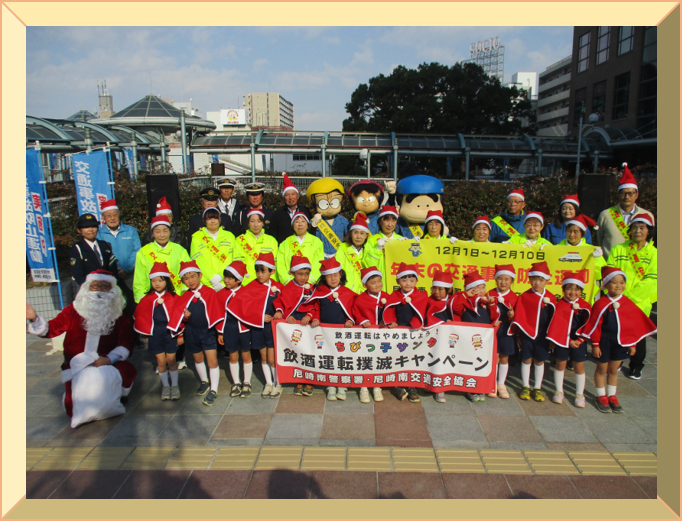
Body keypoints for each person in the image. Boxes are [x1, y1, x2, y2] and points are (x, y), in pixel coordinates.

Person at [26, 270, 137, 428]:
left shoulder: (118, 315)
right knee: (71, 407)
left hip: (104, 362)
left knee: (127, 370)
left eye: (104, 287)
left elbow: (126, 344)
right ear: (87, 288)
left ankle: (116, 395)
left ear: (112, 290)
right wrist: (34, 318)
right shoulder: (73, 310)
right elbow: (51, 329)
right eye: (95, 286)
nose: (99, 291)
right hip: (76, 365)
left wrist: (108, 359)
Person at [578, 266, 657, 413]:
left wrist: (632, 344)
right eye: (614, 282)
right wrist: (595, 344)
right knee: (601, 369)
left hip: (620, 342)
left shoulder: (627, 303)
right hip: (604, 341)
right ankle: (601, 395)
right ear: (606, 284)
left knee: (613, 370)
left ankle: (612, 395)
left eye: (622, 282)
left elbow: (631, 326)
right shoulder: (600, 303)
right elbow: (595, 326)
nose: (618, 285)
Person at [225, 252, 285, 399]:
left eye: (263, 271)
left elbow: (284, 302)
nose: (259, 275)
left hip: (272, 328)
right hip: (258, 328)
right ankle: (268, 383)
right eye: (257, 271)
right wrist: (259, 316)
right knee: (264, 357)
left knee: (272, 358)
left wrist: (279, 311)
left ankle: (278, 383)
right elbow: (243, 307)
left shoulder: (278, 287)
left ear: (272, 271)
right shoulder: (251, 286)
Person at [606, 213, 657, 379]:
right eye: (634, 227)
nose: (638, 231)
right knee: (616, 331)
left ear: (649, 231)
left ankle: (636, 365)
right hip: (617, 299)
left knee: (638, 335)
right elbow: (610, 271)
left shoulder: (654, 253)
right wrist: (617, 295)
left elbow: (652, 281)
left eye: (642, 227)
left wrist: (629, 298)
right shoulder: (619, 249)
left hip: (639, 302)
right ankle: (617, 360)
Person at [167, 261, 225, 407]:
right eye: (186, 278)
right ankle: (204, 381)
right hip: (192, 332)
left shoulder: (209, 292)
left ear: (200, 275)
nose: (190, 281)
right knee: (197, 358)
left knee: (212, 360)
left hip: (208, 332)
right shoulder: (185, 296)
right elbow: (179, 318)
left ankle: (214, 389)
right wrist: (185, 319)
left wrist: (220, 332)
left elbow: (217, 313)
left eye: (193, 276)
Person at [299, 258, 357, 401]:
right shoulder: (321, 292)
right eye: (329, 276)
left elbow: (353, 310)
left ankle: (342, 385)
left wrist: (350, 320)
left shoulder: (347, 293)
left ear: (340, 275)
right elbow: (316, 307)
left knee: (342, 357)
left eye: (335, 275)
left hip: (342, 333)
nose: (333, 278)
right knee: (328, 357)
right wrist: (315, 318)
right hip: (325, 333)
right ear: (324, 277)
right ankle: (330, 385)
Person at [132, 262, 181, 401]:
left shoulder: (173, 297)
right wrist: (146, 334)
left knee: (171, 360)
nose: (157, 283)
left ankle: (175, 385)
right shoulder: (147, 299)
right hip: (155, 333)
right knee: (161, 361)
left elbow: (179, 317)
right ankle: (165, 386)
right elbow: (142, 317)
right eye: (153, 281)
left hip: (169, 332)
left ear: (167, 281)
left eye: (160, 280)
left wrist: (180, 334)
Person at [508, 261, 556, 402]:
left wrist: (552, 338)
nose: (537, 283)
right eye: (534, 279)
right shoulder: (524, 296)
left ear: (547, 281)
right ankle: (525, 386)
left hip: (543, 335)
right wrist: (518, 335)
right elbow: (519, 317)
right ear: (529, 279)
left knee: (540, 360)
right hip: (527, 333)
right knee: (526, 358)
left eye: (541, 280)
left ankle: (537, 387)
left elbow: (554, 320)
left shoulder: (551, 298)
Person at [450, 270, 500, 402]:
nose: (482, 290)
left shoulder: (487, 302)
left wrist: (492, 305)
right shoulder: (465, 302)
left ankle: (481, 387)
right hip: (468, 340)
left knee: (482, 364)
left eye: (483, 287)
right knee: (470, 363)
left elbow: (494, 317)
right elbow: (454, 307)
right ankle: (470, 388)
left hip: (484, 341)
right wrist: (466, 295)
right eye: (477, 288)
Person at [382, 262, 429, 403]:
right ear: (398, 281)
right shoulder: (394, 295)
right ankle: (397, 384)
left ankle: (411, 385)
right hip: (399, 333)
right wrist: (391, 321)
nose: (408, 283)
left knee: (412, 358)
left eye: (411, 280)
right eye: (404, 280)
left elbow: (423, 311)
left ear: (416, 281)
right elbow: (390, 310)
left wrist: (419, 323)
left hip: (413, 332)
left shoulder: (421, 295)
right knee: (398, 357)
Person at [546, 270, 592, 408]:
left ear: (581, 291)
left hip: (578, 342)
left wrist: (580, 340)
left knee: (579, 367)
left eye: (577, 289)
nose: (573, 292)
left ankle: (579, 394)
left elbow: (589, 326)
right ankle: (559, 391)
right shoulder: (559, 305)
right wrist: (555, 340)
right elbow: (556, 325)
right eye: (569, 288)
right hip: (562, 341)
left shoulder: (585, 306)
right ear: (563, 289)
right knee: (560, 365)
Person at [273, 255, 315, 397]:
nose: (304, 277)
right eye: (300, 274)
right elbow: (281, 303)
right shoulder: (288, 288)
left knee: (308, 351)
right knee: (297, 351)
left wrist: (309, 315)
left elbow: (315, 305)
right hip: (293, 323)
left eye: (306, 274)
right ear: (292, 273)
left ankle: (309, 379)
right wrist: (284, 315)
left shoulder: (312, 288)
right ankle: (299, 378)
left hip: (307, 323)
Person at [596, 163, 655, 258]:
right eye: (623, 193)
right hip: (611, 264)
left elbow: (649, 240)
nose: (627, 197)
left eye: (631, 193)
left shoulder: (647, 215)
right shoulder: (606, 215)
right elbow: (600, 239)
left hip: (638, 264)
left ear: (637, 195)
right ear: (618, 195)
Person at [351, 267, 390, 403]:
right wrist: (363, 320)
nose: (378, 285)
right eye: (373, 282)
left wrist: (388, 320)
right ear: (364, 285)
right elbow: (355, 312)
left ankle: (377, 386)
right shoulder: (360, 299)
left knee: (378, 359)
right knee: (365, 359)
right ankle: (364, 387)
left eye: (379, 281)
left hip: (381, 336)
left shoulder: (387, 296)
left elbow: (392, 311)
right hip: (366, 335)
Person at [216, 261, 253, 398]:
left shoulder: (246, 292)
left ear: (238, 279)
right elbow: (219, 313)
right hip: (229, 329)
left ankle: (247, 382)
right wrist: (220, 332)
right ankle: (236, 382)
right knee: (232, 356)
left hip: (244, 329)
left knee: (246, 355)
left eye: (230, 278)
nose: (226, 280)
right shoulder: (221, 294)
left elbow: (251, 312)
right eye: (225, 277)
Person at [133, 216, 190, 302]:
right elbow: (139, 280)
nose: (162, 235)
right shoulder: (143, 252)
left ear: (170, 232)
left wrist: (185, 296)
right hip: (153, 299)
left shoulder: (180, 250)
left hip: (178, 298)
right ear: (152, 233)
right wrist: (143, 302)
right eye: (157, 231)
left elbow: (188, 275)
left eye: (165, 231)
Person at [424, 269, 455, 404]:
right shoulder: (429, 300)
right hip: (432, 339)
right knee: (432, 360)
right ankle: (430, 383)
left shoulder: (453, 301)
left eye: (440, 289)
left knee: (444, 362)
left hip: (448, 341)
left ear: (449, 289)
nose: (436, 292)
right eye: (434, 288)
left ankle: (440, 389)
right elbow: (426, 316)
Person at [488, 264, 518, 400]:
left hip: (507, 332)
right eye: (500, 279)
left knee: (505, 357)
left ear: (512, 281)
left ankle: (501, 383)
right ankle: (492, 383)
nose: (503, 282)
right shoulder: (490, 294)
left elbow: (518, 319)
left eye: (507, 279)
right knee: (495, 357)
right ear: (495, 280)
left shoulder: (514, 297)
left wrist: (511, 316)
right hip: (493, 331)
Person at [559, 214, 606, 300]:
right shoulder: (557, 248)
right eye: (569, 231)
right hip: (560, 291)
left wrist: (597, 259)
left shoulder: (591, 250)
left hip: (584, 293)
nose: (572, 235)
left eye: (575, 232)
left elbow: (600, 274)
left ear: (582, 233)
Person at [96, 199, 142, 287]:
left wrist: (126, 269)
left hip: (130, 276)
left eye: (115, 214)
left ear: (119, 214)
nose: (112, 218)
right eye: (108, 215)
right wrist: (113, 271)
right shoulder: (99, 234)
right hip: (109, 278)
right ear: (103, 217)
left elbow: (137, 251)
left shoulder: (131, 231)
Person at [189, 207, 236, 290]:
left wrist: (221, 277)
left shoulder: (229, 236)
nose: (213, 221)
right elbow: (198, 260)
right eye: (209, 219)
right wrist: (211, 279)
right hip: (205, 283)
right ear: (204, 221)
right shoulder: (197, 237)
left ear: (220, 219)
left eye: (215, 218)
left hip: (225, 282)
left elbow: (231, 258)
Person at [69, 213, 119, 289]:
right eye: (86, 227)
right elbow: (78, 274)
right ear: (79, 230)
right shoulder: (77, 248)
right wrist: (93, 288)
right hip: (89, 290)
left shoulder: (105, 245)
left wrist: (111, 285)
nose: (90, 229)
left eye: (93, 226)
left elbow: (113, 269)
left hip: (108, 288)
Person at [276, 212, 324, 286]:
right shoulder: (285, 244)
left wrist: (309, 282)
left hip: (309, 285)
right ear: (292, 226)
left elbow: (318, 263)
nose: (300, 224)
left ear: (308, 225)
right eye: (297, 222)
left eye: (303, 221)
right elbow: (280, 266)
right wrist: (289, 282)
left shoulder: (317, 242)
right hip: (290, 285)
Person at [363, 206, 404, 292]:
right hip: (379, 286)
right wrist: (377, 249)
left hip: (398, 284)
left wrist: (411, 244)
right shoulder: (372, 240)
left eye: (393, 220)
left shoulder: (401, 240)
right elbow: (367, 264)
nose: (390, 224)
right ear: (380, 221)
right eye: (386, 220)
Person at [234, 208, 279, 285]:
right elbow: (237, 263)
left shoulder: (271, 240)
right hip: (246, 283)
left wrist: (270, 281)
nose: (255, 225)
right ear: (248, 223)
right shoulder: (239, 240)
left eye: (259, 221)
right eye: (252, 221)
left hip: (267, 283)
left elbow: (275, 265)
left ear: (263, 223)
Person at [307, 178, 350, 258]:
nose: (329, 207)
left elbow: (349, 238)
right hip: (321, 256)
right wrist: (313, 226)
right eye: (323, 203)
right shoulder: (314, 221)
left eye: (334, 203)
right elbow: (309, 240)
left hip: (339, 256)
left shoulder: (343, 221)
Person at [269, 174, 312, 244]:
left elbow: (310, 230)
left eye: (293, 194)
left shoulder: (305, 211)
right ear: (284, 197)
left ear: (297, 196)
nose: (290, 197)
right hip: (285, 248)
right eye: (287, 195)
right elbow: (272, 235)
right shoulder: (277, 214)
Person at [335, 213, 370, 294]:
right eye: (355, 232)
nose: (358, 236)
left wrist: (364, 291)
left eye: (362, 233)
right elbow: (338, 272)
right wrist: (353, 289)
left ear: (366, 235)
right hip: (347, 291)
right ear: (350, 234)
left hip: (366, 292)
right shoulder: (343, 248)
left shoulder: (369, 250)